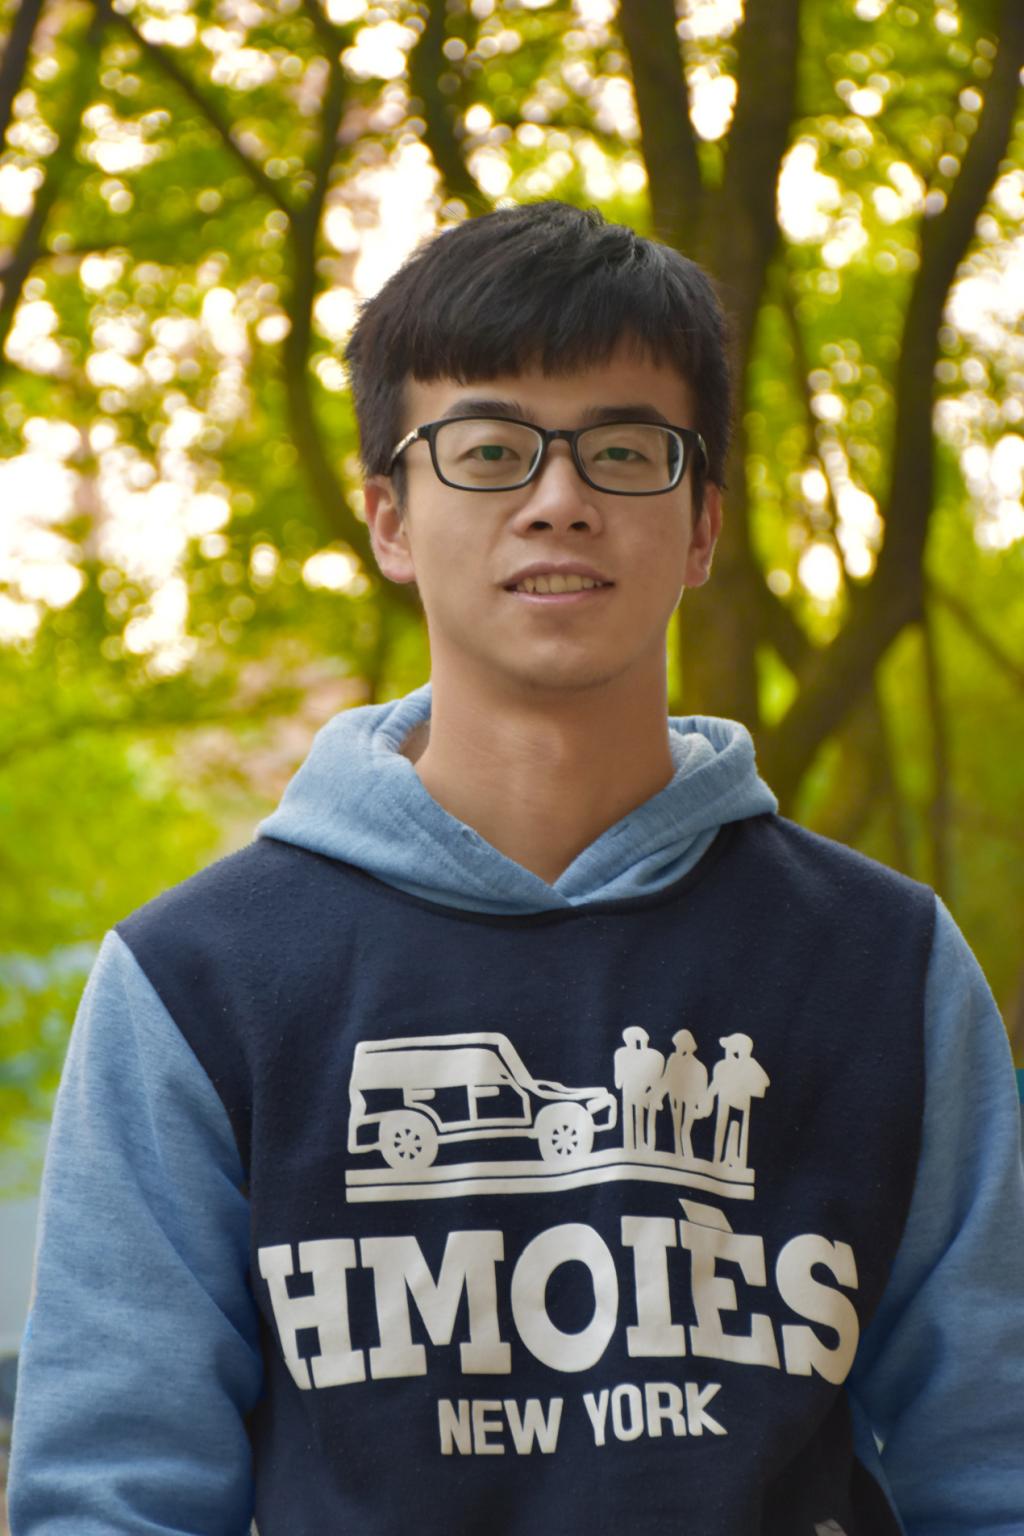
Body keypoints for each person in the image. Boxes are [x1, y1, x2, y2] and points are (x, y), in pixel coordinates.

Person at [8, 200, 1024, 1535]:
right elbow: (113, 1499)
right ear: (390, 518)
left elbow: (993, 1463)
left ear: (703, 526)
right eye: (490, 450)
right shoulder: (197, 984)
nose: (560, 501)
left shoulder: (885, 963)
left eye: (624, 451)